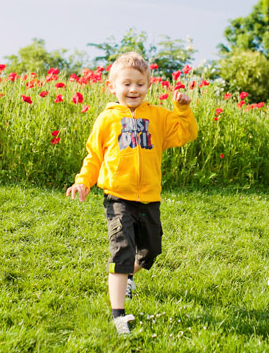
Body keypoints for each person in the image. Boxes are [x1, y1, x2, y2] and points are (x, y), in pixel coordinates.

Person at [66, 52, 198, 336]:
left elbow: (185, 134)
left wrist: (183, 110)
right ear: (112, 86)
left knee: (149, 253)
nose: (133, 89)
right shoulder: (107, 119)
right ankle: (118, 315)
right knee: (122, 250)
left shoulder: (159, 116)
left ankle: (124, 276)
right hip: (117, 196)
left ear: (148, 85)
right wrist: (83, 182)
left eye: (140, 84)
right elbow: (93, 156)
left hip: (149, 197)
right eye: (127, 84)